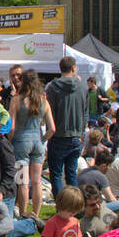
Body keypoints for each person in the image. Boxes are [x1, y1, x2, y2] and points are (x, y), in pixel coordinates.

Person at [8, 71, 54, 222]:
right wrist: (42, 139)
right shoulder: (44, 101)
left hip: (21, 142)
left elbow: (12, 127)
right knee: (37, 181)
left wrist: (9, 140)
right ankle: (36, 214)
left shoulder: (16, 100)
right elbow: (52, 128)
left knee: (22, 181)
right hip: (38, 141)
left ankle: (23, 213)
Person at [45, 56, 89, 197]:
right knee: (71, 174)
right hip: (76, 135)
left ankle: (61, 206)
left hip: (58, 135)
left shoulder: (53, 87)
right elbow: (85, 111)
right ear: (74, 68)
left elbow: (49, 112)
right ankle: (74, 205)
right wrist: (82, 132)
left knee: (56, 175)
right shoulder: (83, 86)